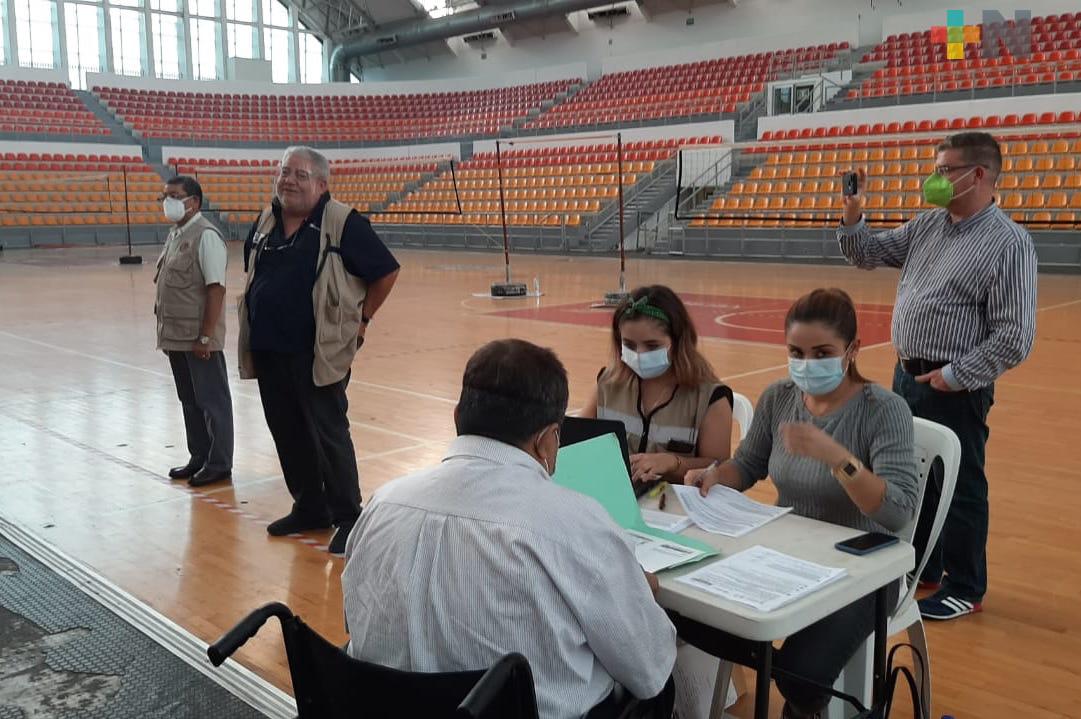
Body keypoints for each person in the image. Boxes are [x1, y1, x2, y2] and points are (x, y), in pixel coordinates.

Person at [342, 339, 676, 719]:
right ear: (547, 440)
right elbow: (650, 669)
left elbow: (356, 624)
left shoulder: (383, 503)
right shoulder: (575, 522)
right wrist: (635, 592)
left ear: (457, 418)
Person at [686, 288, 918, 719]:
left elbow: (897, 511)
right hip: (790, 554)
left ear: (852, 351)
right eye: (796, 351)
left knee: (800, 673)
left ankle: (805, 707)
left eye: (822, 352)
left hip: (864, 572)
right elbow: (749, 464)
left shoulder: (884, 410)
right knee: (692, 615)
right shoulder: (780, 397)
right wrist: (717, 476)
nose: (807, 365)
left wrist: (837, 458)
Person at [838, 131, 1037, 620]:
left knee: (963, 482)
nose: (935, 179)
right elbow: (865, 253)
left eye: (945, 170)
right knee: (912, 475)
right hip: (907, 377)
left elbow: (1015, 334)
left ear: (978, 175)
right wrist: (852, 211)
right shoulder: (928, 225)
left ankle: (966, 584)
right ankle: (925, 565)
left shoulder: (1008, 244)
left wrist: (955, 374)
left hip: (955, 386)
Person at [239, 146, 400, 555]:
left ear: (322, 184)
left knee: (328, 434)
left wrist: (361, 321)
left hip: (319, 351)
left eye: (300, 175)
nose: (289, 180)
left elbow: (386, 271)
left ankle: (349, 517)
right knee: (287, 432)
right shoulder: (265, 221)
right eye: (284, 172)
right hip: (270, 349)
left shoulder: (343, 222)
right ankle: (310, 506)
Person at [581, 285, 733, 488]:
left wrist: (674, 463)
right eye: (629, 345)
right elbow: (576, 440)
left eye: (652, 346)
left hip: (675, 509)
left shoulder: (710, 398)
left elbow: (721, 470)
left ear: (678, 342)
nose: (639, 354)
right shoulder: (607, 383)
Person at [155, 175, 233, 488]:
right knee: (190, 399)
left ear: (194, 202)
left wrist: (205, 336)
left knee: (213, 402)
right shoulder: (176, 234)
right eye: (164, 196)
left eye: (174, 196)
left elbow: (216, 290)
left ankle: (219, 463)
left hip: (199, 338)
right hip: (176, 335)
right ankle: (199, 456)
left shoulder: (206, 236)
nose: (167, 202)